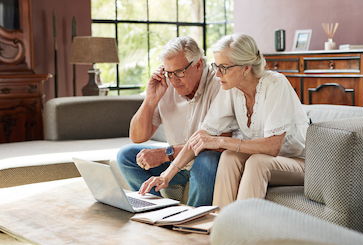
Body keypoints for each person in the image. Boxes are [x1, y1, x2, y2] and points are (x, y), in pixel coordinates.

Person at [138, 34, 309, 209]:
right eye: (216, 66)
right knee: (229, 156)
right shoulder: (231, 89)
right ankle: (219, 224)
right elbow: (201, 136)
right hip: (267, 159)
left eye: (224, 67)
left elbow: (273, 147)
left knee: (257, 162)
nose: (217, 74)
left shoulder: (275, 84)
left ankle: (243, 230)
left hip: (300, 163)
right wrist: (166, 175)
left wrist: (220, 141)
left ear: (246, 67)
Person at [117, 36, 221, 207]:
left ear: (199, 65)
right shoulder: (165, 83)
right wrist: (150, 99)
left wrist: (166, 153)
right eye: (168, 72)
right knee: (127, 155)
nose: (174, 80)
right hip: (176, 162)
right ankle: (156, 212)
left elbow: (216, 142)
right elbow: (137, 137)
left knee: (208, 159)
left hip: (205, 162)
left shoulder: (218, 84)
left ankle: (191, 221)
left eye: (179, 72)